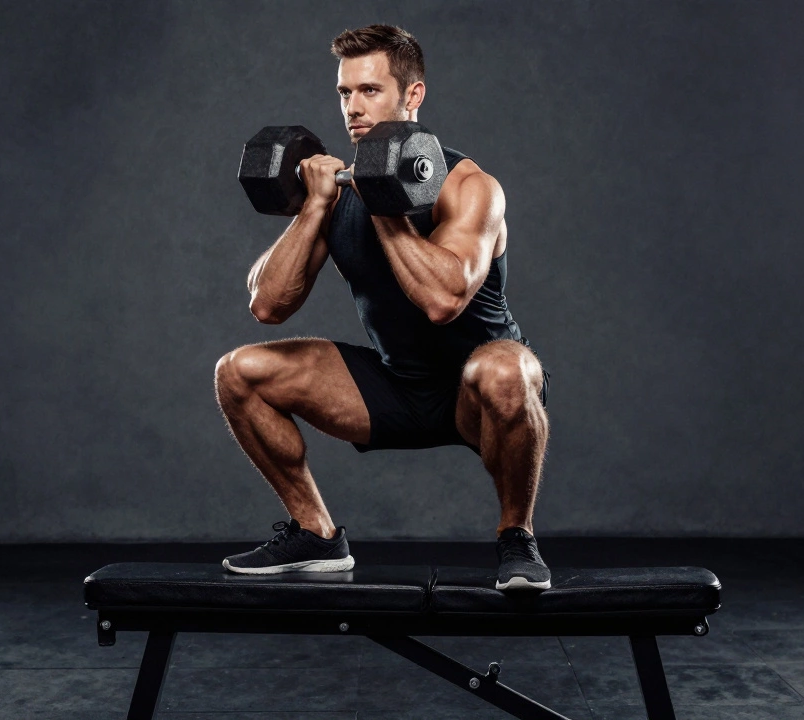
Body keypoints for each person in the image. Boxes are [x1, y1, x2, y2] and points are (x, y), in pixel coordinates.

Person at [215, 25, 552, 590]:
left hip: (481, 394)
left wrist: (384, 207)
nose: (353, 108)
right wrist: (315, 207)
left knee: (507, 368)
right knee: (240, 373)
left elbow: (443, 300)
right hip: (396, 388)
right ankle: (315, 534)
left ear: (412, 95)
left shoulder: (471, 187)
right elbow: (268, 305)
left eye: (369, 91)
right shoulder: (340, 191)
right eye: (345, 93)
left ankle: (517, 537)